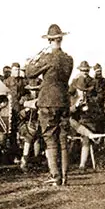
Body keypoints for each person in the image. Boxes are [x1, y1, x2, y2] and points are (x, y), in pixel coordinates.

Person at [25, 24, 73, 186]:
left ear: (50, 40)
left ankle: (55, 175)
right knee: (63, 138)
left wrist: (34, 59)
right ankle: (65, 176)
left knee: (50, 138)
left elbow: (30, 73)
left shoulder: (47, 58)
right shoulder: (68, 59)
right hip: (64, 101)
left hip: (48, 101)